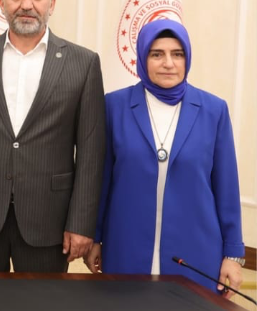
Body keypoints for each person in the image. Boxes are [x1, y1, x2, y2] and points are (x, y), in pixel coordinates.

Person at [0, 0, 106, 272]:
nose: (26, 4)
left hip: (49, 221)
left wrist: (81, 223)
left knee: (44, 298)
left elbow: (91, 153)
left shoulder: (83, 63)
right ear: (1, 2)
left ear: (51, 4)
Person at [85, 19, 245, 296]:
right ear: (142, 58)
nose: (168, 63)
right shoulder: (114, 105)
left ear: (187, 58)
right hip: (127, 244)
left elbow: (226, 187)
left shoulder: (214, 110)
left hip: (195, 249)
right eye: (157, 54)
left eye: (177, 54)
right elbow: (102, 180)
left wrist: (233, 255)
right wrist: (95, 237)